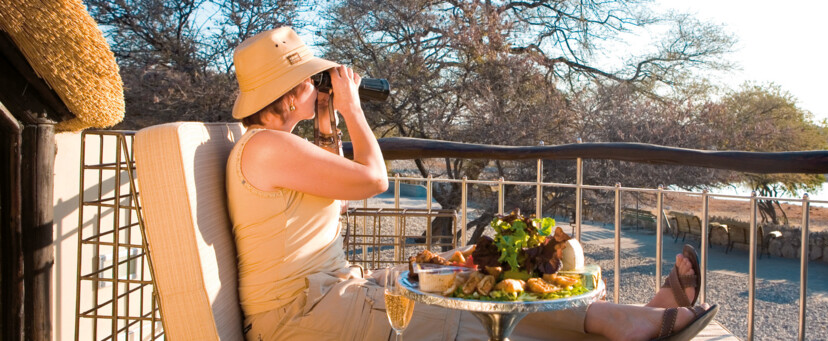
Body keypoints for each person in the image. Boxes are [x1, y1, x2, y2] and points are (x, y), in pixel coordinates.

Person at [226, 26, 717, 341]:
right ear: (289, 95)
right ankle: (623, 322)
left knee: (464, 285)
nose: (318, 88)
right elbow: (372, 178)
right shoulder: (267, 146)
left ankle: (627, 316)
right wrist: (353, 108)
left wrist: (330, 120)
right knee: (465, 316)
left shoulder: (274, 146)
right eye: (310, 83)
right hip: (302, 314)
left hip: (331, 291)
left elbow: (332, 183)